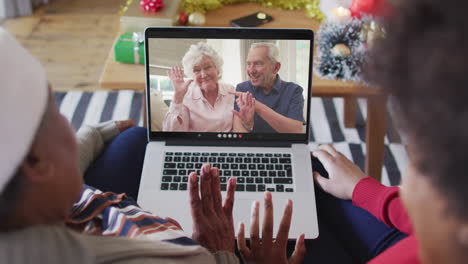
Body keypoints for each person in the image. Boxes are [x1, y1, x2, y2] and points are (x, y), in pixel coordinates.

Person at [0, 28, 306, 263]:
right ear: (37, 162)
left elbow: (61, 159)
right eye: (56, 115)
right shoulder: (179, 258)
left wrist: (94, 131)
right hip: (196, 222)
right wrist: (223, 252)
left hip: (113, 201)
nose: (71, 124)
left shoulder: (49, 197)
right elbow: (174, 131)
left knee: (135, 136)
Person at [238, 0, 468, 263]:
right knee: (313, 168)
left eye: (422, 166)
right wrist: (363, 189)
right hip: (411, 236)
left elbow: (294, 127)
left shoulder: (291, 90)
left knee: (246, 242)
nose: (405, 182)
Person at [163, 42, 253, 132]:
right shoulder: (186, 97)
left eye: (207, 67)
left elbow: (240, 128)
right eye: (197, 70)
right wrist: (178, 97)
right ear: (192, 75)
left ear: (217, 69)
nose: (204, 75)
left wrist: (247, 123)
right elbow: (171, 133)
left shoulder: (231, 91)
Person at [232, 42, 305, 133]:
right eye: (248, 64)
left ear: (276, 67)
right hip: (252, 146)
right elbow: (238, 130)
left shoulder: (294, 90)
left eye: (258, 64)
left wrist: (258, 106)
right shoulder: (242, 88)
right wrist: (248, 125)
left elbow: (296, 131)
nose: (251, 71)